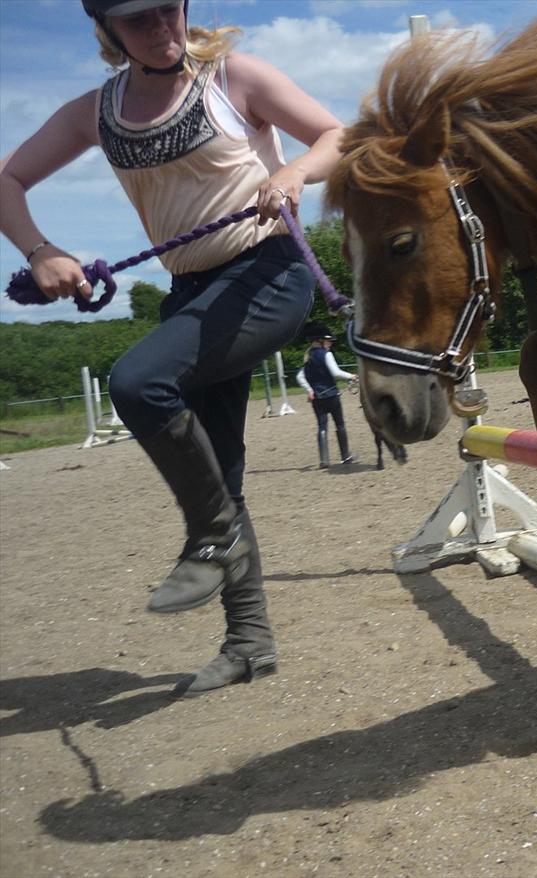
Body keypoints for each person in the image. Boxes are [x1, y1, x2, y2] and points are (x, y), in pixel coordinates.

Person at [0, 0, 345, 697]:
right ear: (107, 31)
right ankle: (250, 643)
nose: (162, 32)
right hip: (191, 295)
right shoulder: (93, 113)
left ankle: (211, 538)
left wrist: (294, 173)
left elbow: (338, 134)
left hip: (267, 276)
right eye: (139, 22)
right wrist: (41, 250)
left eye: (170, 11)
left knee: (135, 381)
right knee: (220, 470)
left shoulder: (232, 78)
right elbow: (6, 179)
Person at [295, 330, 358, 468]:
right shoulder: (326, 354)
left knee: (322, 426)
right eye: (328, 341)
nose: (330, 344)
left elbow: (299, 376)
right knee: (340, 424)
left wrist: (310, 390)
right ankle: (345, 456)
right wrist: (351, 376)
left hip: (317, 398)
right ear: (320, 341)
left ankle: (324, 460)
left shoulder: (308, 356)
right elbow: (335, 373)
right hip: (331, 395)